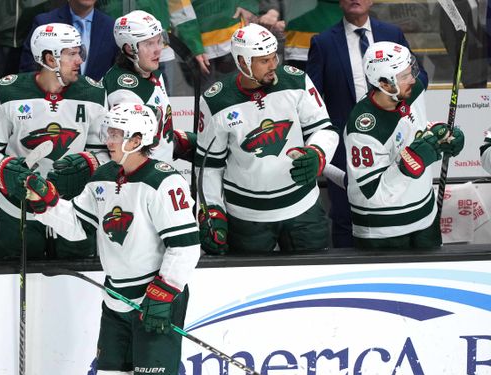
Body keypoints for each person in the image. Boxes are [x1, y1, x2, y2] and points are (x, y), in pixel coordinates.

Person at [4, 102, 242, 375]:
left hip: (156, 298)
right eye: (109, 132)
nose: (107, 139)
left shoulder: (164, 182)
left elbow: (185, 245)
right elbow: (78, 224)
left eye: (115, 134)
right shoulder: (102, 179)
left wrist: (164, 294)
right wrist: (46, 200)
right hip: (116, 296)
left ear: (136, 140)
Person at [196, 23, 338, 254]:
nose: (273, 65)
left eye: (274, 57)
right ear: (242, 61)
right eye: (264, 60)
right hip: (246, 217)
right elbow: (209, 167)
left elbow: (325, 129)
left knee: (314, 282)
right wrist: (213, 210)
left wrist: (316, 153)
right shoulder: (216, 101)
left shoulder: (296, 81)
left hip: (302, 207)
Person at [0, 23, 108, 260]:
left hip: (73, 211)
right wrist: (4, 170)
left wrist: (91, 163)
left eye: (80, 52)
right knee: (11, 288)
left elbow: (106, 153)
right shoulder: (9, 92)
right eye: (71, 54)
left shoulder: (94, 94)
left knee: (74, 288)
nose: (79, 61)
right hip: (18, 210)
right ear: (49, 58)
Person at [307, 0, 428, 248]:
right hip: (347, 147)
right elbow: (313, 101)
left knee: (397, 207)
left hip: (395, 139)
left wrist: (401, 111)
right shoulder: (323, 42)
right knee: (344, 216)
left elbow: (419, 77)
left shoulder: (392, 34)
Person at [344, 42, 463, 250]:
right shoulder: (363, 127)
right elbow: (374, 193)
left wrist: (438, 133)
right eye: (405, 76)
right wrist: (409, 163)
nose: (414, 80)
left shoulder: (410, 91)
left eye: (411, 71)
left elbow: (416, 127)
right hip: (384, 232)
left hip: (426, 216)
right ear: (384, 84)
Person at [103, 10, 194, 165]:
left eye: (159, 41)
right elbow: (129, 153)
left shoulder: (152, 73)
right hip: (141, 180)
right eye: (149, 43)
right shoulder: (124, 90)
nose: (158, 49)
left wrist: (174, 139)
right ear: (129, 49)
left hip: (158, 170)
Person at [19, 0, 117, 82]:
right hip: (54, 100)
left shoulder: (111, 27)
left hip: (97, 101)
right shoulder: (45, 23)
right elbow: (29, 69)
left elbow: (116, 72)